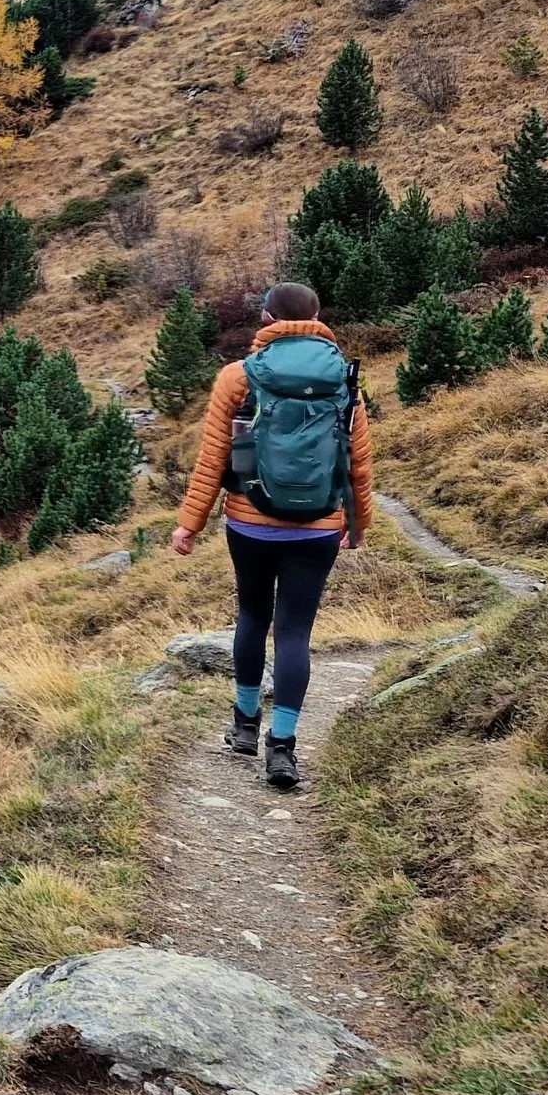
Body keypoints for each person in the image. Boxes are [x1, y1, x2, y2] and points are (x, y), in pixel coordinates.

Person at [169, 282, 373, 789]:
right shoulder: (344, 379)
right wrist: (358, 524)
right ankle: (281, 748)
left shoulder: (237, 377)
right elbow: (358, 462)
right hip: (319, 526)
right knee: (294, 633)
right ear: (317, 317)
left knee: (252, 615)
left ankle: (244, 725)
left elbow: (213, 458)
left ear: (265, 319)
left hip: (250, 520)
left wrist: (190, 523)